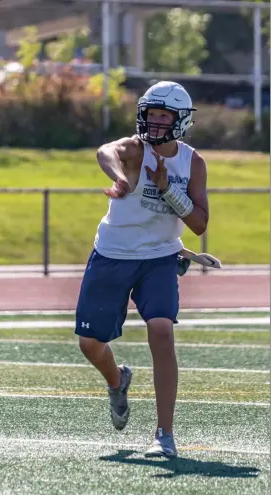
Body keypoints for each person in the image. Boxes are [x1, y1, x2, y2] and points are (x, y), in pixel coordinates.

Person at [75, 81, 209, 458]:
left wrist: (169, 190)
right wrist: (119, 176)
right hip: (114, 254)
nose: (155, 122)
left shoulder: (192, 162)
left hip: (160, 258)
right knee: (90, 343)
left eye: (164, 115)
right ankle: (117, 382)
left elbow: (199, 223)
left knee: (162, 333)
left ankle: (164, 435)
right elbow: (107, 151)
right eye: (151, 114)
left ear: (180, 121)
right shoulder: (136, 149)